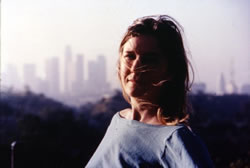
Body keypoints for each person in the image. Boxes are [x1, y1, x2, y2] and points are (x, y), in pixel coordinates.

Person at [86, 15, 213, 168]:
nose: (135, 67)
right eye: (130, 56)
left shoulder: (175, 139)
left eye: (149, 59)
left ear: (171, 70)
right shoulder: (118, 120)